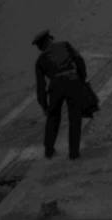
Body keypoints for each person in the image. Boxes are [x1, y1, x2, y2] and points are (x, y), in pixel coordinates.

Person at [32, 30, 88, 160]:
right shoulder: (65, 45)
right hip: (73, 82)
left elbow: (41, 87)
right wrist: (81, 79)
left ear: (40, 46)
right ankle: (74, 153)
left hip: (56, 87)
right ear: (50, 39)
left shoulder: (40, 60)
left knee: (53, 118)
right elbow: (80, 61)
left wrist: (44, 105)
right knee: (75, 119)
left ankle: (49, 151)